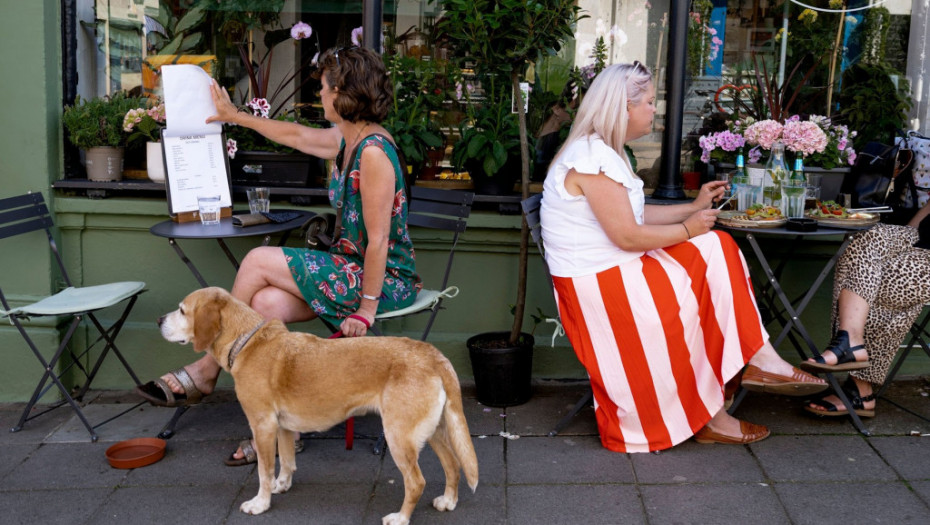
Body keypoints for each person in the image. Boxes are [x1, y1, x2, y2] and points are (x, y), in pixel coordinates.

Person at [136, 46, 421, 464]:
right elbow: (296, 135)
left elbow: (378, 242)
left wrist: (365, 311)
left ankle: (207, 369)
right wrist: (235, 117)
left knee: (256, 261)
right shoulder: (348, 138)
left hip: (381, 283)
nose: (319, 95)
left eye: (323, 88)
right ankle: (286, 425)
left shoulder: (374, 153)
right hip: (349, 270)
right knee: (267, 304)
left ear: (342, 92)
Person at [539, 62, 827, 453]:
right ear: (622, 108)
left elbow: (634, 218)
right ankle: (722, 407)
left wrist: (694, 207)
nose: (653, 112)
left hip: (616, 269)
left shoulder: (603, 152)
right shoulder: (591, 159)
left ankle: (757, 361)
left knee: (717, 247)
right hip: (601, 284)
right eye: (647, 104)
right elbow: (626, 235)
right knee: (703, 284)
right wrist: (689, 228)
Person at [802, 201, 930, 417]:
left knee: (875, 282)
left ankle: (859, 386)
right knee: (862, 236)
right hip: (922, 242)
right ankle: (849, 341)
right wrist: (904, 238)